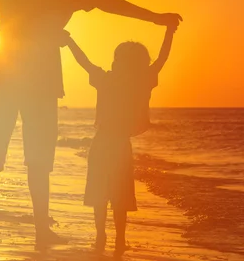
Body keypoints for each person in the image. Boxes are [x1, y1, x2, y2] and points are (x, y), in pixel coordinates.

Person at [0, 0, 182, 245]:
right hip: (15, 74)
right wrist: (51, 28)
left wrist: (154, 18)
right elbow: (15, 18)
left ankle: (38, 226)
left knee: (38, 157)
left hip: (26, 76)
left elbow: (106, 1)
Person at [61, 24, 177, 256]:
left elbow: (84, 62)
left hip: (101, 142)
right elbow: (162, 59)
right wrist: (169, 32)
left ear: (120, 61)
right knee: (120, 194)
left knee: (99, 193)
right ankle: (120, 239)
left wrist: (70, 42)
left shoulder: (106, 79)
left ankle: (100, 235)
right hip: (121, 145)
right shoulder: (142, 81)